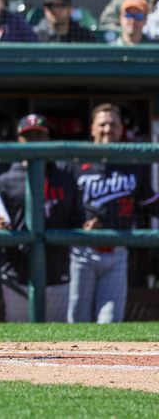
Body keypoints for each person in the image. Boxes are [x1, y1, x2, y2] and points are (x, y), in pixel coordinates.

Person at [0, 114, 80, 322]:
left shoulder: (65, 177)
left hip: (57, 270)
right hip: (17, 271)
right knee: (20, 338)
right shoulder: (5, 181)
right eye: (29, 136)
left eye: (39, 135)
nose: (34, 140)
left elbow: (77, 219)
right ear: (19, 140)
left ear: (48, 139)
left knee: (57, 339)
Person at [69, 103, 159, 323]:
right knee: (77, 320)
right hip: (82, 249)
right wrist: (80, 224)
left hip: (117, 249)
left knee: (109, 320)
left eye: (113, 124)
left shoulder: (133, 163)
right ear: (92, 129)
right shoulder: (75, 161)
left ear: (121, 129)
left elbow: (150, 202)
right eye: (102, 124)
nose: (107, 129)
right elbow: (63, 205)